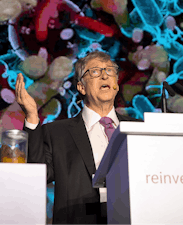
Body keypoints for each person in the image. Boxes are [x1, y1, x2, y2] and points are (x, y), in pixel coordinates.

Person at [15, 51, 138, 225]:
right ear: (81, 87)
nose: (104, 75)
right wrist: (32, 116)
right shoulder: (56, 132)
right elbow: (37, 175)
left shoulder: (140, 129)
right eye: (95, 72)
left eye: (110, 71)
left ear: (116, 84)